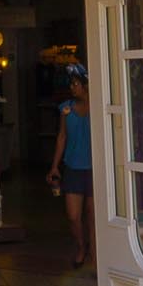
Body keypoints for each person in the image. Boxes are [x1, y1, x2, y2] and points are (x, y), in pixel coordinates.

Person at [47, 70, 92, 269]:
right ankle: (81, 246)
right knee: (73, 216)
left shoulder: (99, 107)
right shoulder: (66, 109)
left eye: (76, 84)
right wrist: (55, 165)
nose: (72, 88)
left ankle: (94, 254)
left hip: (93, 168)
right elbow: (62, 136)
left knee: (93, 217)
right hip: (73, 166)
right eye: (71, 84)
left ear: (86, 85)